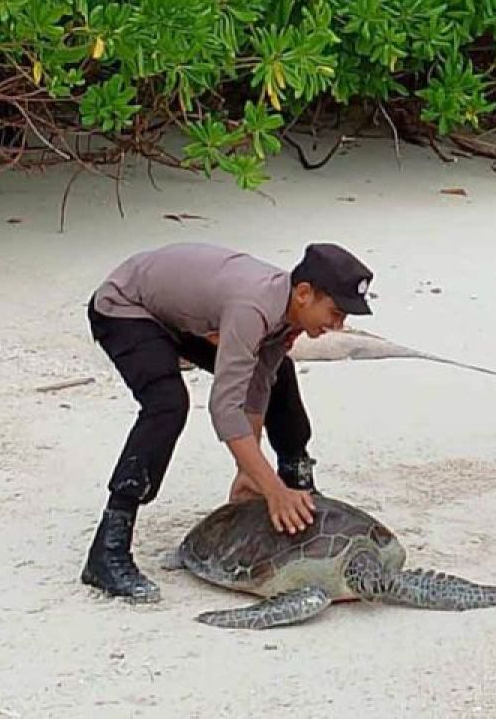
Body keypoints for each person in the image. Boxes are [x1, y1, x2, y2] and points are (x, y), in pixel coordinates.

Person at [80, 241, 374, 603]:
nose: (338, 325)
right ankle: (108, 549)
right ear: (303, 294)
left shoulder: (286, 314)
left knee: (278, 374)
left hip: (177, 313)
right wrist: (271, 489)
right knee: (167, 404)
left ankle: (300, 485)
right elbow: (224, 407)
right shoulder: (253, 309)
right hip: (126, 307)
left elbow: (255, 386)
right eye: (335, 312)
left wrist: (249, 473)